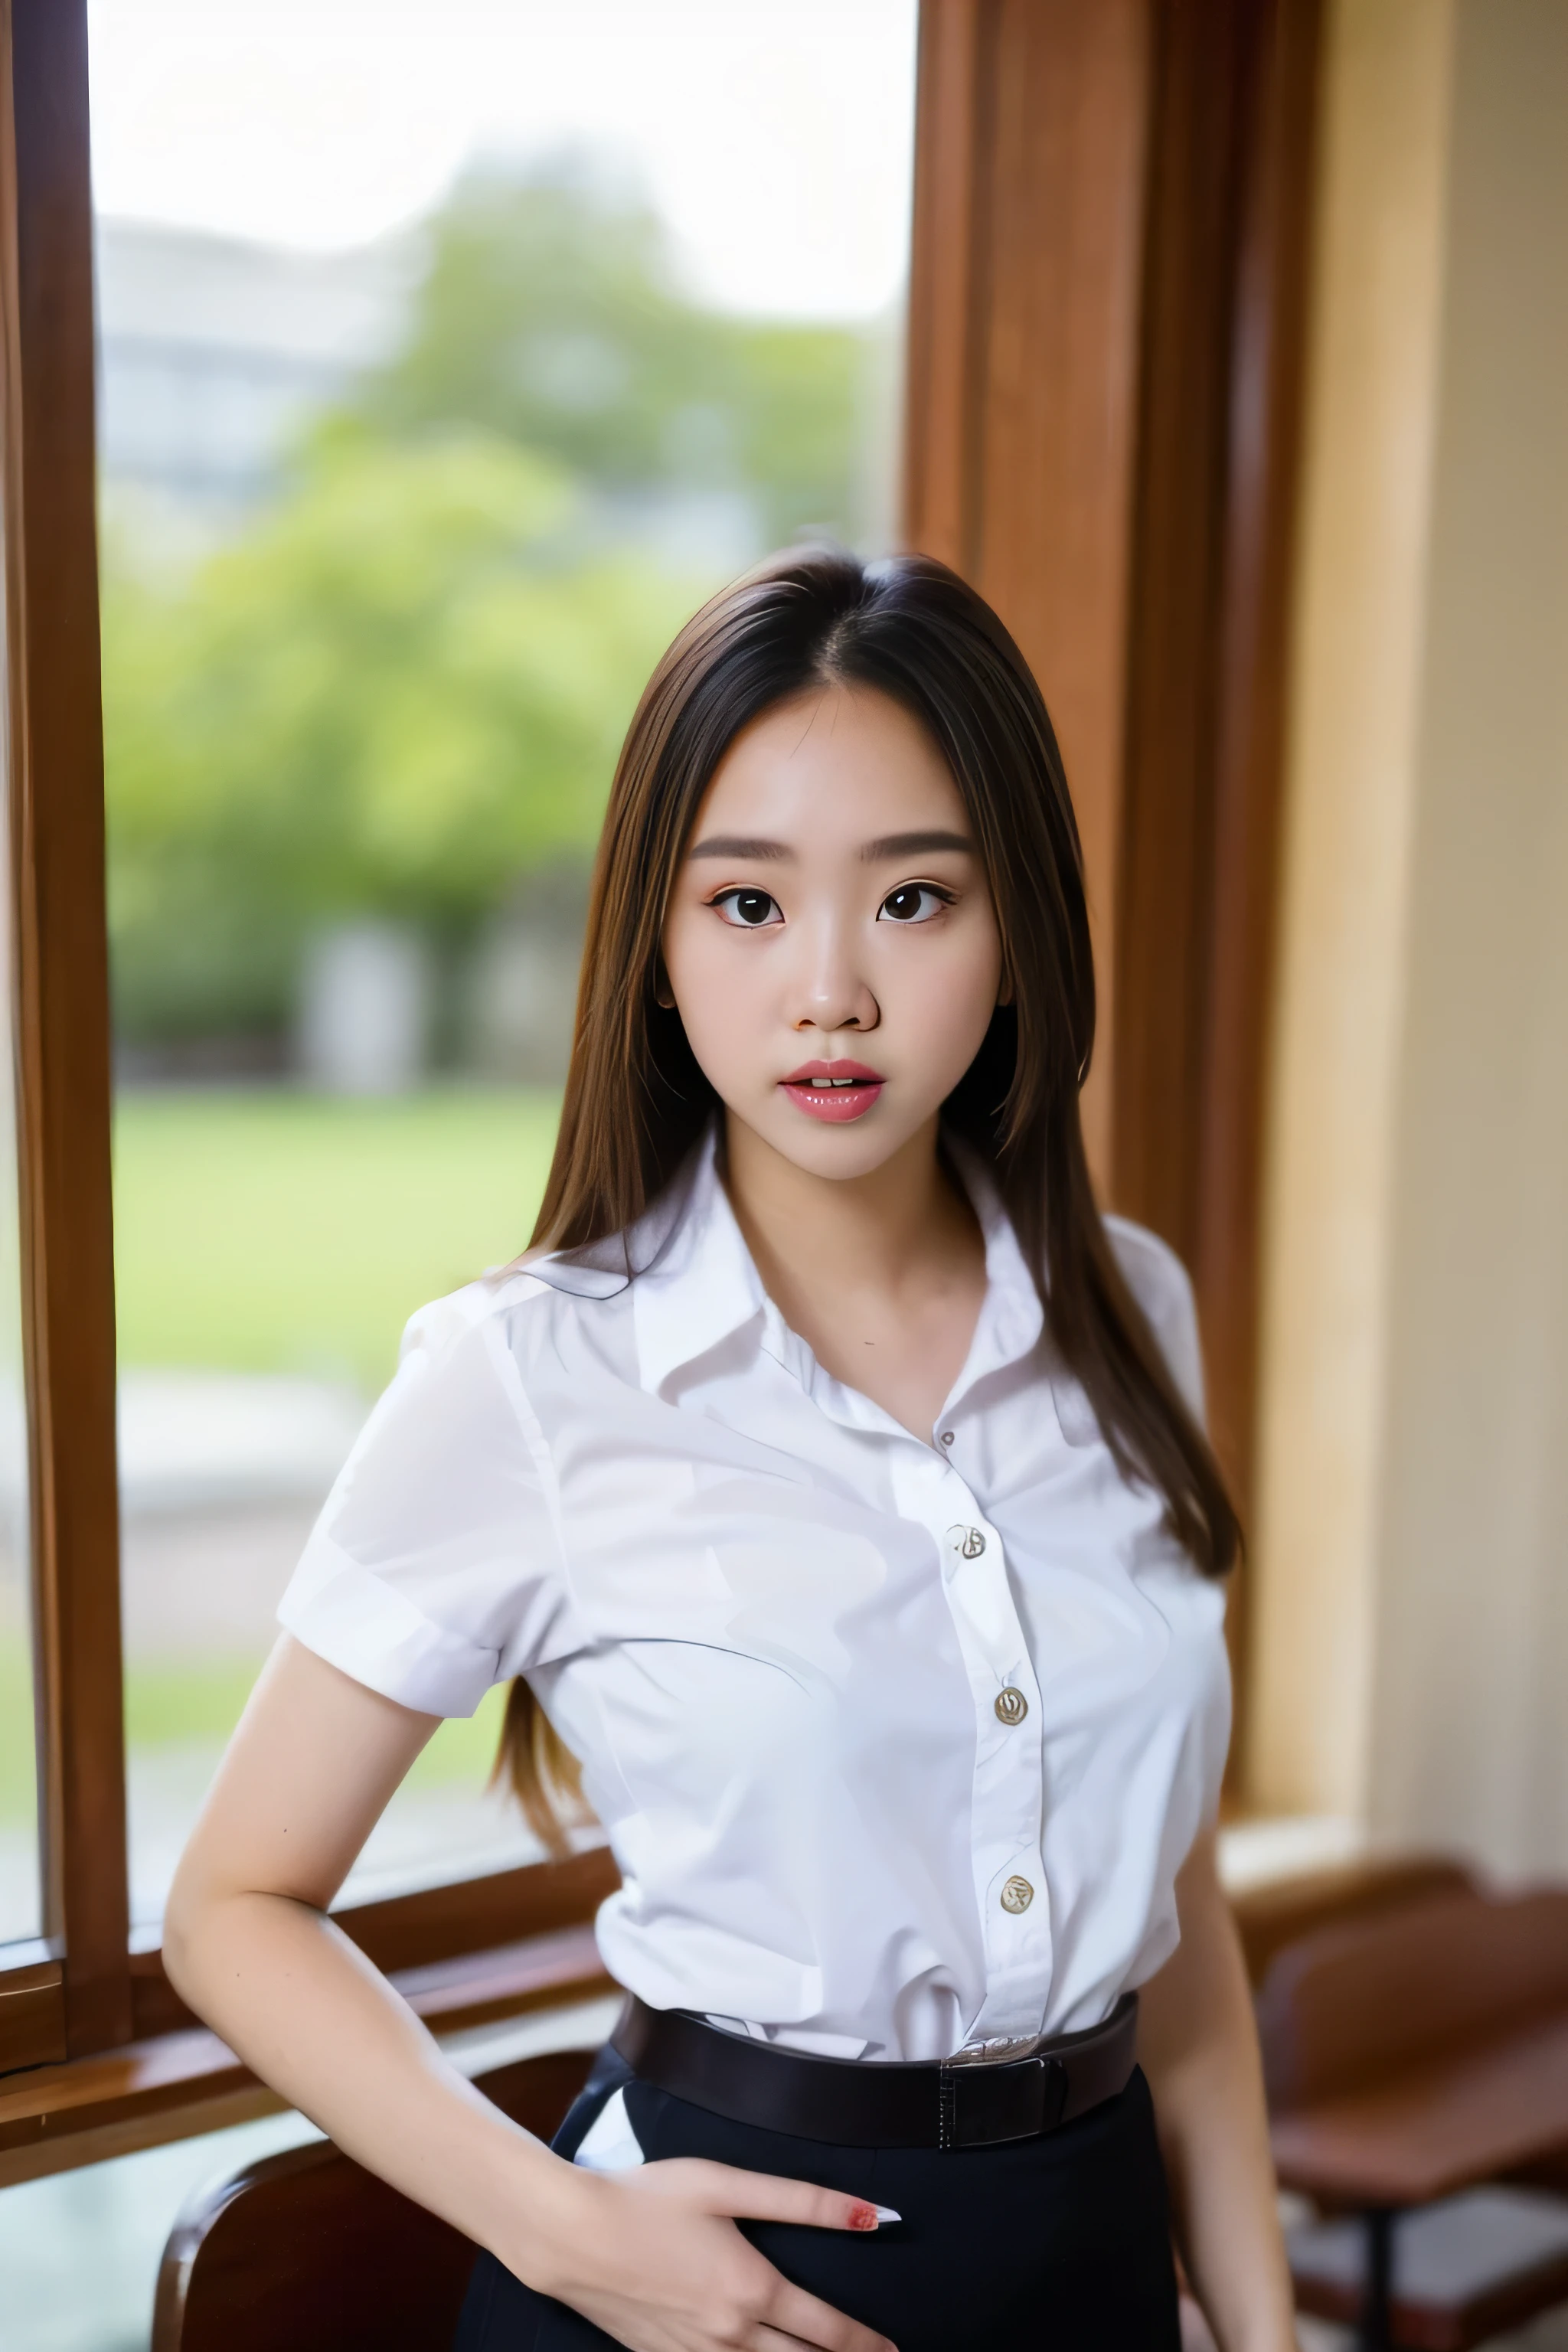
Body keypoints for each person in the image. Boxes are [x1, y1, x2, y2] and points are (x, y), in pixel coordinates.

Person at [164, 550, 1298, 2352]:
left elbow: (1176, 1911)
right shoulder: (531, 1375)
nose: (830, 991)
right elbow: (232, 1905)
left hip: (1091, 2244)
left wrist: (1258, 2327)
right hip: (717, 2285)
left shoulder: (1131, 1312)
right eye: (747, 906)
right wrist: (560, 2231)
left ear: (1017, 937)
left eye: (915, 899)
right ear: (656, 950)